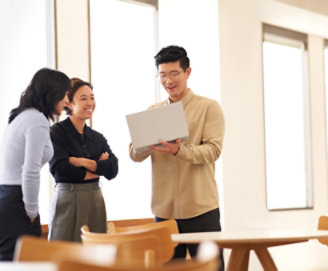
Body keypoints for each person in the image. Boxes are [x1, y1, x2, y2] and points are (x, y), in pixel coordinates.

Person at [129, 45, 225, 269]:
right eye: (162, 75)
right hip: (164, 213)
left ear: (187, 72)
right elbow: (134, 154)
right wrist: (146, 143)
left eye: (174, 74)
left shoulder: (208, 108)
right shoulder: (153, 111)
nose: (168, 81)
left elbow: (213, 150)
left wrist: (180, 150)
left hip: (201, 209)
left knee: (212, 269)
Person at [0, 68, 71, 260]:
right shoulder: (37, 120)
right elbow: (30, 171)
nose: (67, 101)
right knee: (24, 263)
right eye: (65, 94)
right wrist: (31, 211)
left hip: (7, 196)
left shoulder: (22, 115)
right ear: (52, 93)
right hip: (17, 201)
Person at [48, 78, 118, 242]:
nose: (90, 103)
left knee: (95, 258)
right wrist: (98, 167)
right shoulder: (56, 132)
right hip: (67, 199)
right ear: (69, 104)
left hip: (95, 200)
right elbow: (60, 169)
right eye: (83, 98)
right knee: (63, 256)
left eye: (92, 97)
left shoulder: (97, 137)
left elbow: (113, 168)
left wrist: (81, 162)